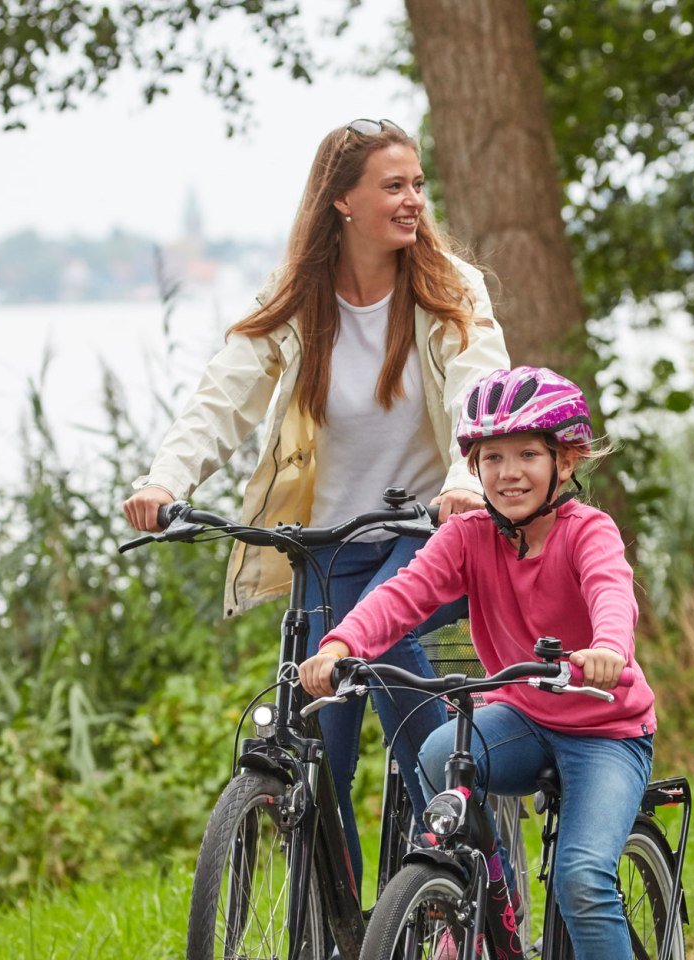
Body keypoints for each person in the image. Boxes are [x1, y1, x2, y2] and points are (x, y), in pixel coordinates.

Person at [122, 118, 510, 881]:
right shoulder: (298, 297)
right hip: (328, 544)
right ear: (342, 201)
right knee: (318, 749)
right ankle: (338, 926)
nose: (413, 201)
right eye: (393, 186)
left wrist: (467, 482)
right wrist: (165, 479)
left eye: (418, 186)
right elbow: (224, 396)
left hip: (428, 530)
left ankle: (467, 853)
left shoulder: (450, 289)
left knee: (384, 634)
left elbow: (479, 390)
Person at [299, 366, 657, 960]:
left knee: (581, 879)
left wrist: (608, 652)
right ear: (474, 465)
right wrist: (341, 645)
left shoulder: (588, 530)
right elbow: (402, 594)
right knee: (440, 752)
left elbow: (611, 594)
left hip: (604, 729)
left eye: (526, 455)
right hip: (522, 717)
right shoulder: (468, 536)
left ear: (563, 463)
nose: (508, 472)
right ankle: (479, 894)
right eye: (492, 458)